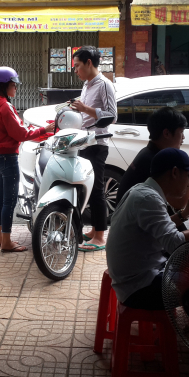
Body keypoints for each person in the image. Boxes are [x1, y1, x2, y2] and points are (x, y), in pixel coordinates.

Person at [106, 148, 189, 310]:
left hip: (134, 277)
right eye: (188, 176)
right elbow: (174, 243)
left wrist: (183, 215)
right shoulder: (149, 198)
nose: (188, 183)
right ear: (175, 173)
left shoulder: (141, 190)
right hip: (139, 288)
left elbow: (155, 228)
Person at [0, 67, 55, 253]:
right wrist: (44, 130)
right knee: (9, 201)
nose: (16, 88)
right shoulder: (4, 106)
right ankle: (6, 241)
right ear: (5, 86)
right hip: (7, 157)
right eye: (14, 85)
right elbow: (20, 133)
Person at [116, 107, 189, 229]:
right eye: (181, 132)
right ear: (167, 133)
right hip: (136, 232)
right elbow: (179, 202)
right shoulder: (154, 160)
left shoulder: (149, 153)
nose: (183, 138)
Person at [70, 46, 118, 252]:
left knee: (98, 190)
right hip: (84, 142)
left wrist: (85, 109)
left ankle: (100, 237)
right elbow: (87, 113)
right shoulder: (87, 85)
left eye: (78, 66)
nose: (76, 70)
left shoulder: (104, 84)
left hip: (97, 144)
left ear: (89, 63)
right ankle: (93, 230)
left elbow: (112, 115)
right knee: (86, 188)